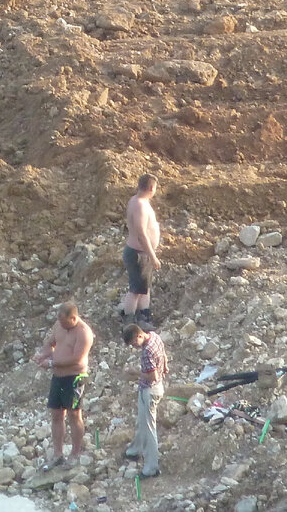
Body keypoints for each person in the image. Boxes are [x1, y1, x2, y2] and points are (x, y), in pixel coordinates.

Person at [32, 301, 94, 467]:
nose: (61, 325)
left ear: (73, 318)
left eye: (65, 322)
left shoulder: (83, 333)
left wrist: (52, 363)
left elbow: (77, 358)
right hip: (58, 377)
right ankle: (58, 453)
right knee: (56, 414)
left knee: (74, 414)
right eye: (59, 322)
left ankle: (75, 453)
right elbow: (50, 343)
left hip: (74, 377)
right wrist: (42, 355)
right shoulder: (59, 325)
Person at [122, 323, 167, 478]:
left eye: (134, 342)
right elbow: (163, 355)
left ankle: (151, 468)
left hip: (150, 390)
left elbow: (152, 376)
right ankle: (134, 450)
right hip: (156, 387)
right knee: (142, 421)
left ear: (139, 335)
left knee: (149, 429)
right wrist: (164, 368)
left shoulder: (147, 352)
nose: (134, 347)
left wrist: (136, 373)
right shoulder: (155, 336)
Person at [120, 173, 161, 325]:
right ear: (151, 187)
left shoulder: (138, 201)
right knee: (136, 290)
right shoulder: (140, 205)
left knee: (144, 288)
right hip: (139, 254)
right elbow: (141, 233)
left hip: (141, 254)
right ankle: (129, 322)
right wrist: (153, 255)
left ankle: (144, 316)